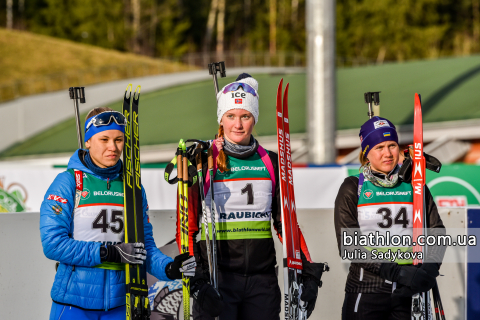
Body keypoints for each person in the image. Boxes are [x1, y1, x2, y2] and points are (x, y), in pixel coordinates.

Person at [183, 74, 327, 320]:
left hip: (262, 282)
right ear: (221, 119)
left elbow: (285, 223)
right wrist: (194, 275)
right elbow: (189, 226)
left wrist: (307, 270)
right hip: (218, 279)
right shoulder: (203, 161)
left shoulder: (270, 162)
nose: (237, 125)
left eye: (245, 116)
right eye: (230, 116)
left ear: (254, 118)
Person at [40, 107, 193, 320]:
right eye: (104, 139)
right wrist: (109, 252)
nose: (113, 147)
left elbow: (144, 248)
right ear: (88, 141)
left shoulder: (132, 187)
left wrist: (169, 268)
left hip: (122, 304)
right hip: (73, 304)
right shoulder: (68, 183)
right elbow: (53, 244)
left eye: (119, 140)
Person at [334, 116, 446, 320]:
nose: (387, 153)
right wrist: (394, 271)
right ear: (366, 152)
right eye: (379, 147)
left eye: (392, 145)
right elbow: (348, 244)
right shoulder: (353, 187)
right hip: (366, 288)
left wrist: (430, 269)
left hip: (409, 290)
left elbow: (437, 230)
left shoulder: (415, 185)